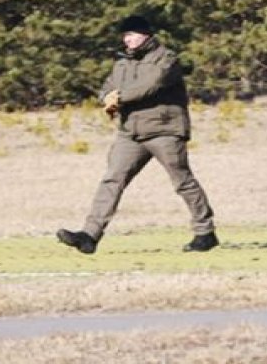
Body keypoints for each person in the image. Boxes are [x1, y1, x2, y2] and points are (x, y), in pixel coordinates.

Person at [57, 14, 216, 254]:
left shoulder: (166, 58)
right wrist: (106, 99)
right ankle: (89, 235)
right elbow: (106, 88)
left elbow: (150, 85)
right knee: (112, 180)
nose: (127, 39)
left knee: (182, 181)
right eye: (125, 35)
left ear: (146, 35)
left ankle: (205, 232)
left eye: (131, 34)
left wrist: (118, 98)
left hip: (164, 130)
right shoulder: (122, 63)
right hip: (130, 132)